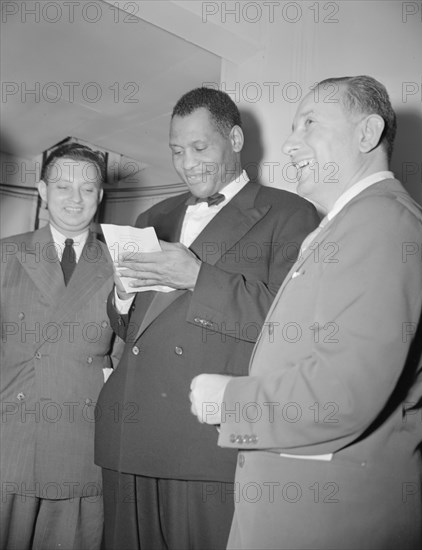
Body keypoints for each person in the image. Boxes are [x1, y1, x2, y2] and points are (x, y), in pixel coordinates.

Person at [190, 75, 422, 550]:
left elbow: (344, 391)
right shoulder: (348, 224)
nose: (289, 142)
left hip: (328, 523)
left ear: (367, 134)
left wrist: (230, 402)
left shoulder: (381, 221)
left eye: (309, 123)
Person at [94, 87, 320, 550]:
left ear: (235, 139)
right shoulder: (154, 214)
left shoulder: (290, 212)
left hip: (202, 440)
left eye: (200, 148)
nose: (186, 163)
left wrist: (198, 275)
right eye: (177, 151)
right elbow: (131, 328)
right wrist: (120, 295)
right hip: (127, 433)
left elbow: (290, 327)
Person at [0, 142, 119, 550]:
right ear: (42, 191)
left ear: (100, 196)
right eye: (63, 187)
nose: (75, 199)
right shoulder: (5, 254)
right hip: (10, 439)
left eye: (88, 189)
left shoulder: (124, 264)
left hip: (81, 444)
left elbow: (127, 359)